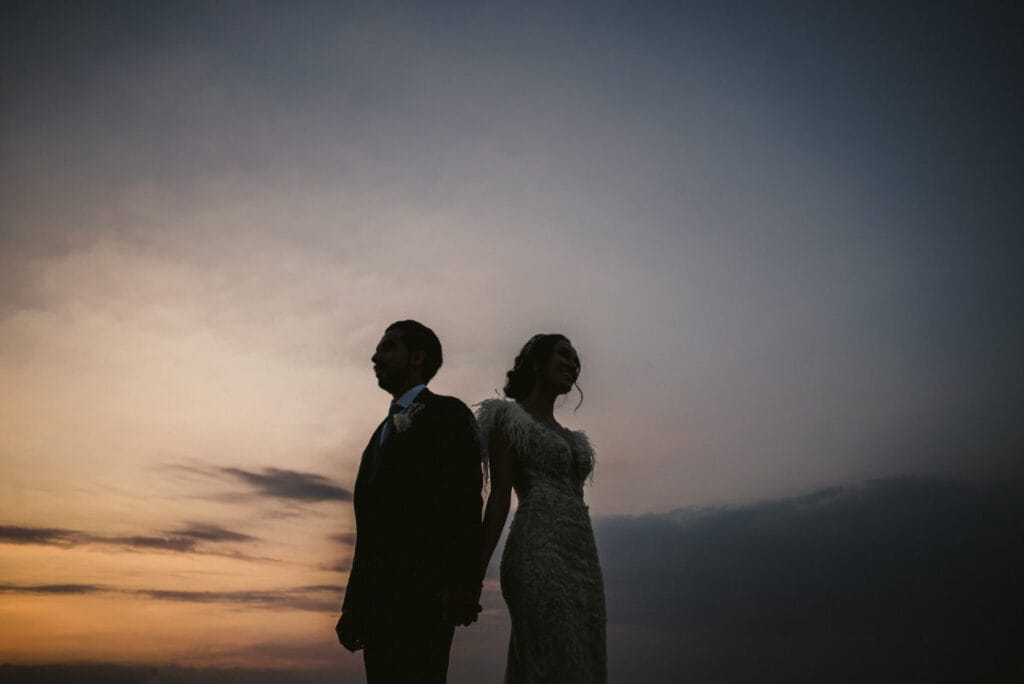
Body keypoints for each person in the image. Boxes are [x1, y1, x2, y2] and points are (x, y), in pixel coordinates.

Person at [336, 320, 483, 683]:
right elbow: (368, 530)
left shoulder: (448, 413)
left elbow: (465, 501)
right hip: (378, 603)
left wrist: (464, 583)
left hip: (427, 597)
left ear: (417, 357)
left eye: (388, 348)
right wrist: (353, 605)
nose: (375, 356)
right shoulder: (377, 436)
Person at [476, 334, 607, 683]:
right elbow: (500, 497)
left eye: (576, 361)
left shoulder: (574, 439)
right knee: (548, 655)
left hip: (583, 562)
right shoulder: (507, 418)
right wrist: (474, 575)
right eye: (564, 355)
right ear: (536, 362)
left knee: (586, 656)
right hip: (537, 553)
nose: (573, 365)